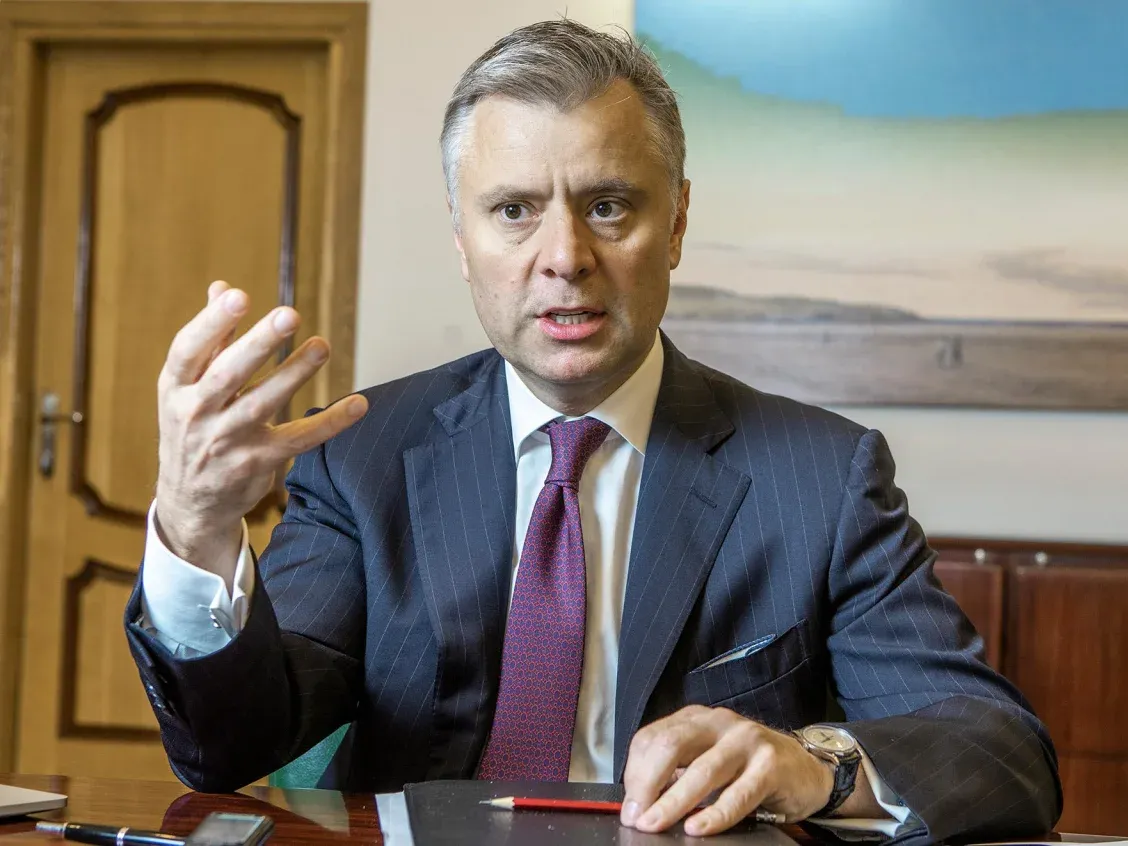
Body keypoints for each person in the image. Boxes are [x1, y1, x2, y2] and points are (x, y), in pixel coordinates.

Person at [126, 19, 1061, 843]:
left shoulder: (822, 476)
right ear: (462, 240)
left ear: (677, 222)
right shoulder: (363, 455)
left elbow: (999, 751)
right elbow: (230, 748)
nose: (565, 258)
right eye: (514, 211)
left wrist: (816, 764)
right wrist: (196, 530)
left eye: (608, 205)